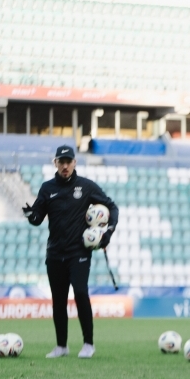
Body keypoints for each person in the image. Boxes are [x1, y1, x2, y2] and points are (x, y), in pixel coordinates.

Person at [24, 146, 118, 359]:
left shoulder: (85, 186)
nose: (65, 166)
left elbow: (112, 208)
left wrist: (108, 232)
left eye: (69, 161)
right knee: (58, 299)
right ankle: (61, 346)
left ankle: (88, 344)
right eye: (61, 161)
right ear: (55, 163)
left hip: (79, 252)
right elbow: (38, 218)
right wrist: (30, 214)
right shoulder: (47, 188)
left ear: (75, 162)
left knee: (81, 293)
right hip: (55, 253)